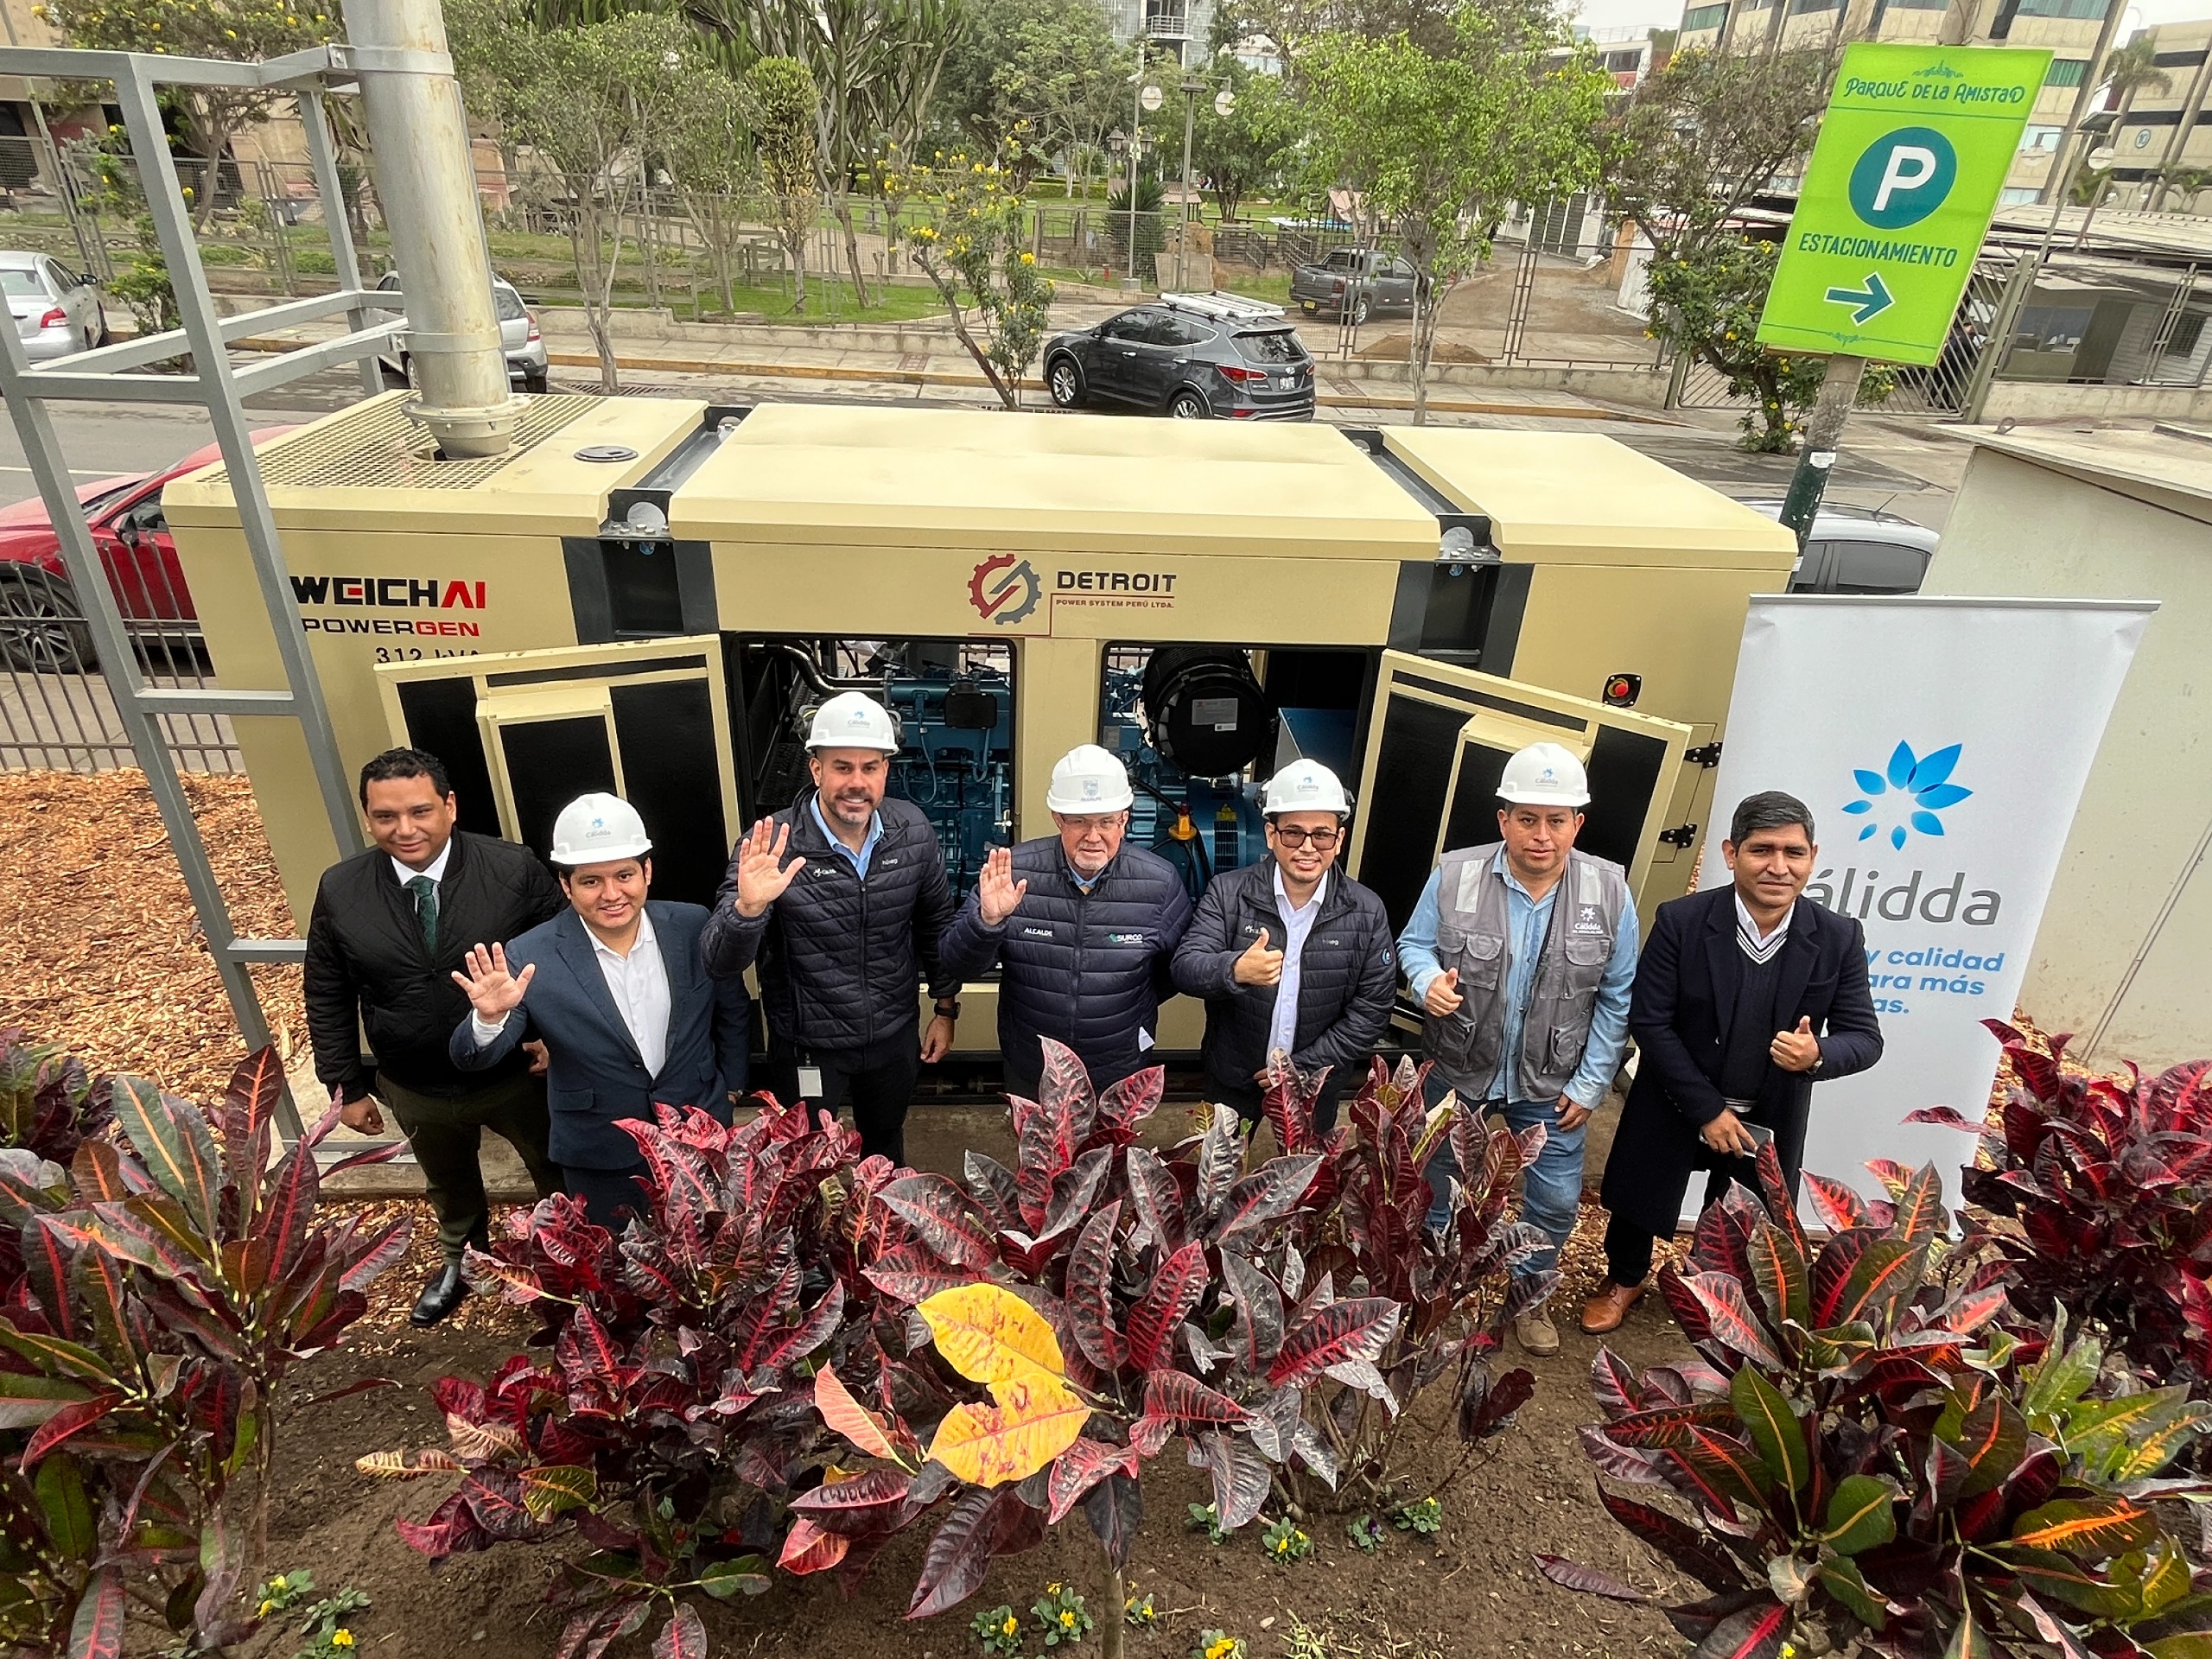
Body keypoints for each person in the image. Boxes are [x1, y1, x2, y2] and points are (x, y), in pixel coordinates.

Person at [1582, 791, 1885, 1337]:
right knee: (1640, 1196)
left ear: (1812, 856)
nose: (1778, 866)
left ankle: (1710, 1291)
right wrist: (1707, 1109)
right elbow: (1651, 1021)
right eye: (1761, 850)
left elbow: (1865, 1037)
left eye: (1794, 852)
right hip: (1677, 1098)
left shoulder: (1838, 938)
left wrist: (1819, 1054)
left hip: (1768, 1111)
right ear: (1730, 853)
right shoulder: (1683, 921)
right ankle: (1625, 1279)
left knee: (1743, 1218)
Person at [303, 747, 566, 1328]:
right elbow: (326, 991)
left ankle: (565, 1265)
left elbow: (559, 955)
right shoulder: (341, 889)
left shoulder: (513, 870)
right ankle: (464, 1261)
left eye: (420, 812)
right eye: (385, 817)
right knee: (447, 1181)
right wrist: (345, 1085)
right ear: (367, 816)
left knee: (555, 1168)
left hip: (515, 1076)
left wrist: (556, 1035)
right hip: (414, 1081)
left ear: (450, 805)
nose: (405, 830)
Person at [1396, 741, 1639, 1357]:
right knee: (1436, 1186)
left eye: (1556, 820)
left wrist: (1590, 1084)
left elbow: (1616, 997)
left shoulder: (1610, 893)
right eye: (1526, 818)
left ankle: (1528, 1297)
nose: (1541, 834)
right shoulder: (1455, 875)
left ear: (1577, 824)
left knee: (1555, 1201)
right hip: (1457, 1067)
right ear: (1503, 819)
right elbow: (1414, 945)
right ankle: (1433, 1289)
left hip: (1553, 1083)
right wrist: (1427, 982)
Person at [449, 793, 749, 1230]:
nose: (612, 894)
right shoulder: (531, 953)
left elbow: (732, 1006)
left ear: (647, 871)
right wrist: (490, 1019)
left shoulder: (691, 925)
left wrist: (733, 1088)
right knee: (619, 1273)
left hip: (698, 1134)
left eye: (624, 874)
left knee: (710, 1260)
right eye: (591, 881)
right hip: (601, 1150)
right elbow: (472, 1057)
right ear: (565, 885)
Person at [700, 690, 957, 1165]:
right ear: (816, 768)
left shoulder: (913, 830)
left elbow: (934, 925)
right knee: (805, 1163)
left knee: (884, 1145)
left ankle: (880, 1232)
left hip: (892, 1036)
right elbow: (718, 961)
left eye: (870, 767)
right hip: (807, 1047)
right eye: (842, 767)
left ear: (886, 770)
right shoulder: (770, 844)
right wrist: (748, 908)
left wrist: (946, 1008)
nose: (856, 783)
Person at [938, 744, 1193, 1099]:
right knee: (1037, 1155)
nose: (1093, 836)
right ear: (1058, 818)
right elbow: (955, 964)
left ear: (1125, 819)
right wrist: (988, 920)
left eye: (1106, 821)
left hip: (1118, 1069)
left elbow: (1174, 972)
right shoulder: (1014, 871)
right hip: (1034, 1066)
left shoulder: (1159, 883)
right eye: (1079, 822)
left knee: (1113, 1155)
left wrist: (1122, 1011)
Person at [1170, 760, 1395, 1135]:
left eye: (1321, 835)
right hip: (1233, 1077)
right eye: (1293, 833)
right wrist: (1235, 970)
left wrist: (1303, 1067)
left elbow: (1372, 1010)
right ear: (1271, 835)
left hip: (1315, 1084)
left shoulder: (1366, 910)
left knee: (1306, 1185)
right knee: (1219, 1183)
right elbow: (1186, 967)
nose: (1308, 847)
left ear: (1338, 841)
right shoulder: (1228, 893)